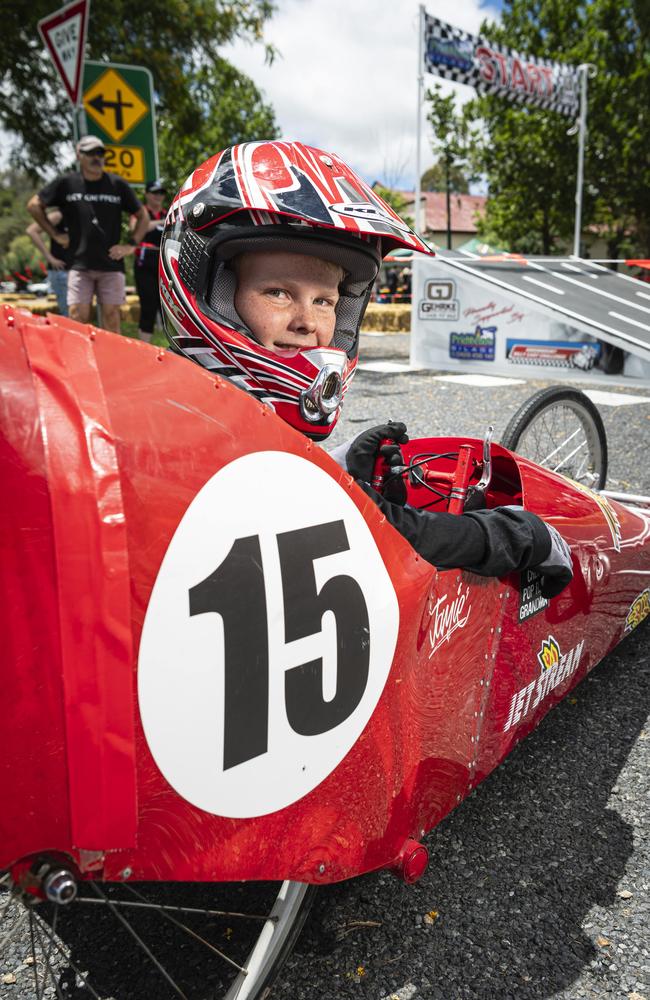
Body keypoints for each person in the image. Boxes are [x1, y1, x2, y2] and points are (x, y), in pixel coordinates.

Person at [158, 140, 572, 595]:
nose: (308, 323)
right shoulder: (190, 450)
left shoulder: (193, 418)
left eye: (325, 301)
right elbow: (395, 534)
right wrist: (515, 535)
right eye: (277, 292)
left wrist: (339, 465)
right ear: (208, 288)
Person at [26, 135, 149, 334]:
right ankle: (81, 363)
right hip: (78, 264)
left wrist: (131, 245)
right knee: (77, 316)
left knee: (111, 317)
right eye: (90, 153)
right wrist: (56, 234)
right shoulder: (67, 183)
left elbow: (142, 215)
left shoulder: (117, 184)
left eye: (100, 153)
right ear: (79, 155)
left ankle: (110, 363)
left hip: (111, 264)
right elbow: (33, 205)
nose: (96, 157)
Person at [131, 179, 167, 342]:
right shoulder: (140, 213)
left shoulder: (168, 214)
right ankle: (144, 347)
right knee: (148, 307)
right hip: (144, 266)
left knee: (167, 307)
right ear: (147, 194)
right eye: (155, 193)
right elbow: (135, 229)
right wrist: (159, 223)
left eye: (161, 193)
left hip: (165, 266)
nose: (158, 196)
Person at [25, 208, 69, 316]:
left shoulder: (82, 213)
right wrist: (50, 258)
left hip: (80, 270)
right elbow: (32, 230)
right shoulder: (59, 215)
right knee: (69, 315)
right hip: (62, 270)